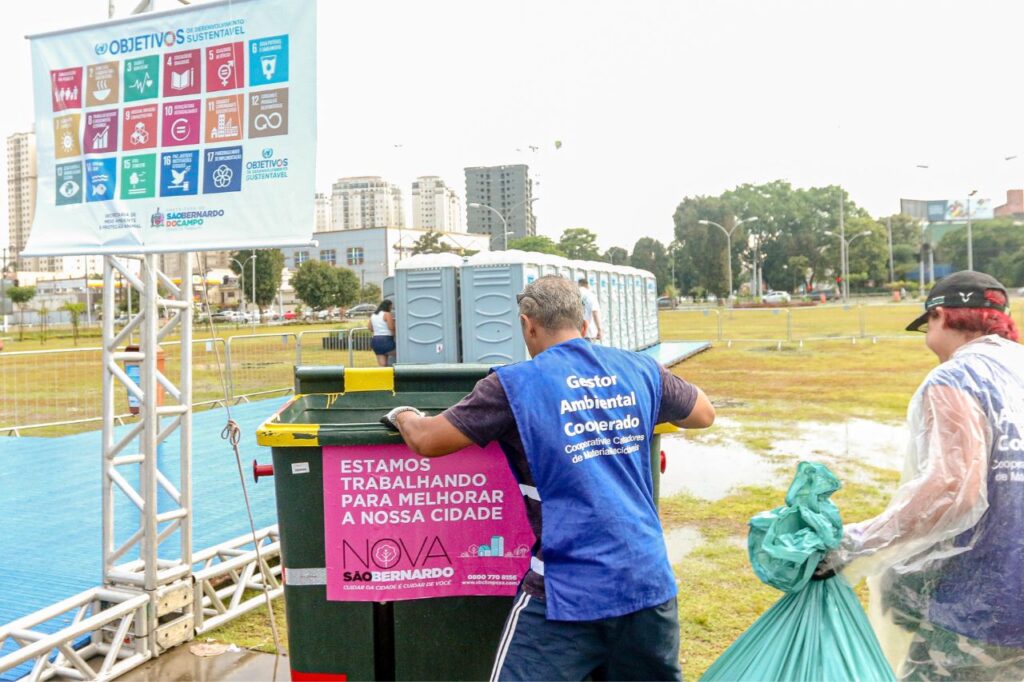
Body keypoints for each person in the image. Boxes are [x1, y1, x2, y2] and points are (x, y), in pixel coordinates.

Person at [381, 275, 715, 681]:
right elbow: (703, 414)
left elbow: (428, 441)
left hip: (569, 590)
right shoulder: (640, 370)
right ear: (585, 323)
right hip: (647, 582)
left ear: (528, 325)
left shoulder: (513, 384)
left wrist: (403, 415)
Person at [821, 270, 1024, 679]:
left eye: (927, 325)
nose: (928, 339)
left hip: (980, 610)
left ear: (943, 316)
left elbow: (953, 492)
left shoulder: (957, 377)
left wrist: (857, 544)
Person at [367, 299, 396, 367]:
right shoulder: (387, 314)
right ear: (388, 306)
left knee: (383, 365)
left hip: (375, 340)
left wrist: (378, 329)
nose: (391, 309)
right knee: (402, 353)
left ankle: (383, 377)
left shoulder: (373, 315)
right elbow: (391, 327)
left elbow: (369, 328)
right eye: (391, 307)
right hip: (386, 340)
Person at [578, 278, 603, 343]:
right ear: (587, 286)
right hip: (589, 332)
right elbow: (595, 313)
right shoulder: (591, 295)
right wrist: (599, 330)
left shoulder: (574, 295)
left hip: (577, 332)